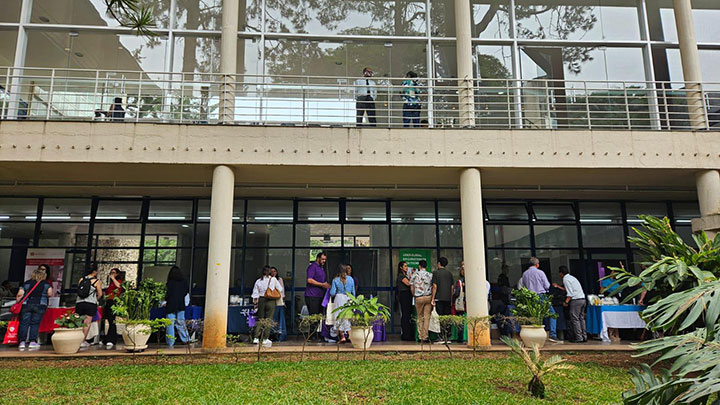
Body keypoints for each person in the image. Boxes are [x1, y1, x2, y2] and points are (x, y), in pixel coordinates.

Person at [520, 257, 560, 343]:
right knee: (552, 314)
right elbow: (547, 285)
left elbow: (524, 286)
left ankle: (534, 336)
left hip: (530, 297)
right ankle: (552, 334)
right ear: (537, 264)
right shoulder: (540, 272)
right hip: (541, 296)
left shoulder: (525, 274)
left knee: (534, 316)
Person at [16, 267, 53, 350]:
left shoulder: (26, 283)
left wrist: (18, 302)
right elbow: (50, 294)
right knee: (35, 323)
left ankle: (22, 342)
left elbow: (19, 294)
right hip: (40, 305)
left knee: (24, 323)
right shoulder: (46, 284)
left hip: (26, 304)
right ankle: (32, 341)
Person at [252, 265, 283, 345]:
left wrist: (255, 304)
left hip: (261, 300)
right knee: (269, 319)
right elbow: (280, 289)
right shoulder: (273, 279)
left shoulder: (258, 281)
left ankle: (256, 338)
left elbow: (255, 293)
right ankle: (265, 338)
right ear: (269, 272)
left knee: (260, 319)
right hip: (271, 300)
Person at [75, 265, 103, 348]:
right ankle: (82, 341)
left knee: (77, 321)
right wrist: (96, 299)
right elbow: (100, 294)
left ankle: (75, 339)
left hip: (79, 302)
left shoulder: (81, 279)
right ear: (94, 272)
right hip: (90, 303)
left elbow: (79, 290)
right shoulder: (96, 281)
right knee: (87, 323)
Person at [558, 266, 587, 343]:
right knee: (581, 318)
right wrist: (559, 287)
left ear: (561, 273)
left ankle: (579, 337)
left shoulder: (565, 279)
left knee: (575, 319)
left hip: (576, 300)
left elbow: (570, 293)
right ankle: (584, 336)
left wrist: (566, 302)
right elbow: (571, 289)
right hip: (582, 299)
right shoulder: (572, 278)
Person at [329, 264, 356, 343]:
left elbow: (332, 292)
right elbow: (353, 292)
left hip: (339, 299)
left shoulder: (335, 280)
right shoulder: (351, 279)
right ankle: (350, 335)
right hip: (348, 298)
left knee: (339, 316)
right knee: (347, 317)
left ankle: (342, 336)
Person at [165, 266, 190, 348]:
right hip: (180, 304)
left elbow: (167, 294)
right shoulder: (184, 282)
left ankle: (170, 342)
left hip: (171, 305)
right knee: (181, 323)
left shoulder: (169, 283)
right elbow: (185, 293)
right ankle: (186, 339)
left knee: (170, 324)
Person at [410, 260, 433, 343]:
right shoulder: (430, 275)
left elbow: (411, 287)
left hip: (419, 297)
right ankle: (425, 336)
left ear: (419, 266)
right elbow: (433, 286)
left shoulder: (415, 275)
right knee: (427, 317)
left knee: (419, 317)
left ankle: (420, 337)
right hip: (428, 297)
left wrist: (414, 295)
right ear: (426, 267)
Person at [431, 257, 453, 344]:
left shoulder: (436, 273)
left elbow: (435, 286)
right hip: (447, 298)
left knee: (439, 318)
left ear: (439, 263)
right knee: (446, 317)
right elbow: (452, 287)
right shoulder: (449, 274)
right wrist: (450, 297)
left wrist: (433, 298)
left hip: (439, 298)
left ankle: (440, 337)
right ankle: (447, 336)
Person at [102, 268, 124, 349]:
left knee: (112, 320)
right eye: (111, 272)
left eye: (114, 272)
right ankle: (107, 338)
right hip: (108, 301)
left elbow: (119, 286)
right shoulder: (110, 283)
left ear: (117, 274)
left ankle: (111, 339)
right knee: (108, 320)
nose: (112, 274)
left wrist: (113, 278)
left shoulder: (117, 281)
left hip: (113, 301)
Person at [305, 252, 330, 317]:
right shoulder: (312, 267)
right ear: (318, 258)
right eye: (322, 259)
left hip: (320, 295)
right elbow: (309, 280)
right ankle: (313, 327)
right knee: (314, 317)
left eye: (325, 259)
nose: (324, 261)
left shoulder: (321, 268)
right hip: (312, 295)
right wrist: (322, 284)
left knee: (319, 316)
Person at [396, 261, 415, 341]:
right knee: (405, 315)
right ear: (401, 267)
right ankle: (405, 334)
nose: (406, 267)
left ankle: (408, 333)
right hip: (404, 296)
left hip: (407, 296)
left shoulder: (405, 275)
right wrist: (412, 276)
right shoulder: (401, 276)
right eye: (405, 266)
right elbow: (409, 283)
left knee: (408, 315)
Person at [270, 266, 287, 342]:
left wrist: (283, 301)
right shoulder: (269, 279)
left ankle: (281, 335)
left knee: (280, 318)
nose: (273, 273)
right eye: (272, 271)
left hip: (279, 301)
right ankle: (272, 334)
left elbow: (282, 290)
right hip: (271, 300)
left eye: (275, 271)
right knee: (273, 318)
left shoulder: (279, 279)